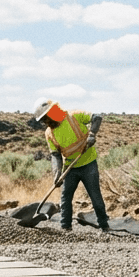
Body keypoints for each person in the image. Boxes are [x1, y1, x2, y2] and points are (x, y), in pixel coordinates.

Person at [33, 99, 108, 231]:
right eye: (43, 121)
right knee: (65, 198)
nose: (45, 123)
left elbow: (97, 118)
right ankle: (65, 228)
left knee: (95, 196)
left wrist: (92, 135)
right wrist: (57, 175)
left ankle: (104, 226)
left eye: (45, 119)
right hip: (70, 168)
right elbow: (55, 155)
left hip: (88, 163)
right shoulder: (49, 133)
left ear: (52, 112)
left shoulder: (74, 116)